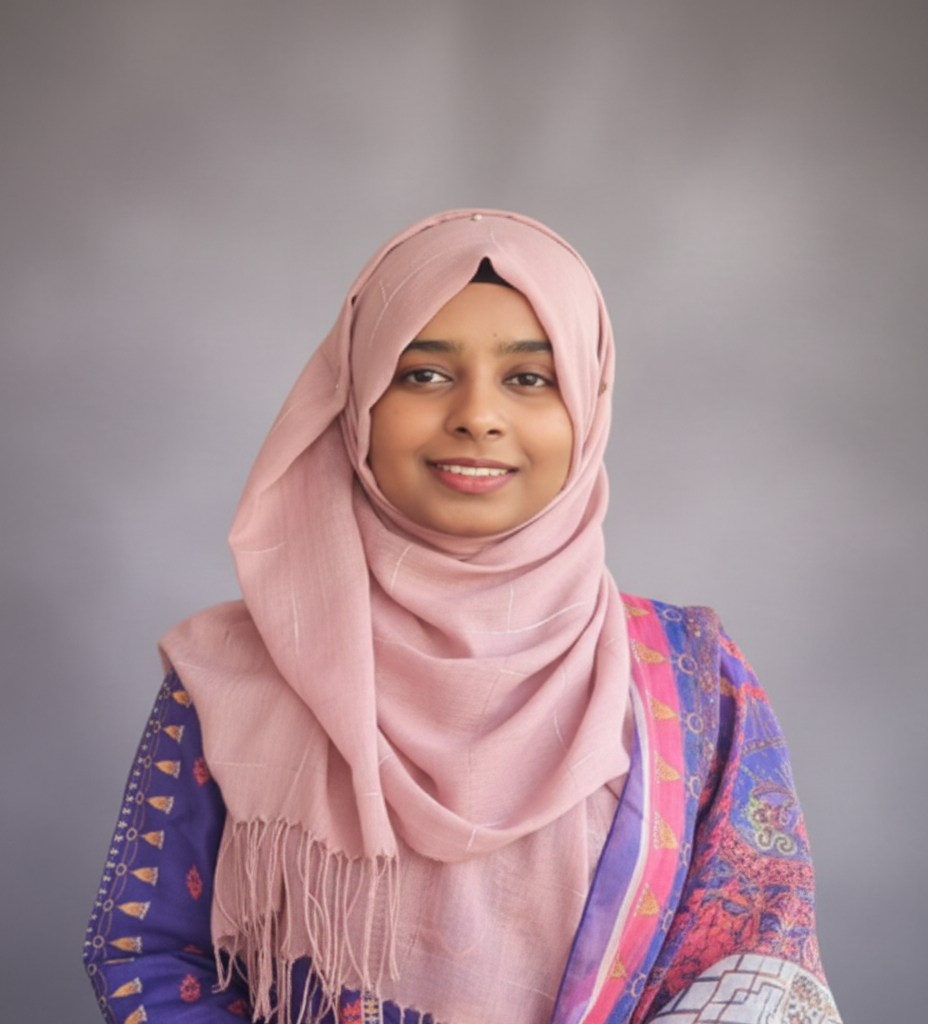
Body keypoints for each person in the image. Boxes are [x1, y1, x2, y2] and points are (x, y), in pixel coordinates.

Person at [83, 209, 841, 1024]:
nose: (478, 415)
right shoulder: (241, 671)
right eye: (424, 374)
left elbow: (755, 965)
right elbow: (151, 955)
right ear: (355, 401)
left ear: (587, 406)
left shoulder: (690, 683)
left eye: (530, 378)